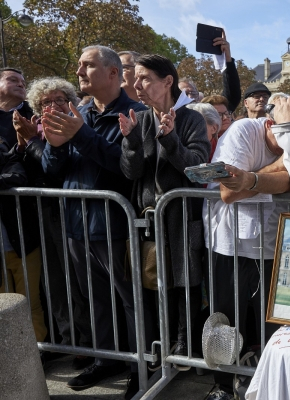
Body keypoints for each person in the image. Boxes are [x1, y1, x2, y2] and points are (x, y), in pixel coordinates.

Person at [41, 45, 153, 399]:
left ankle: (142, 366)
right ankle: (108, 359)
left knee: (130, 299)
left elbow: (127, 171)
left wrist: (80, 136)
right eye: (78, 65)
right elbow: (51, 171)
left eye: (86, 65)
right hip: (75, 225)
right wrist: (56, 146)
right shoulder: (79, 113)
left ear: (112, 74)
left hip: (114, 226)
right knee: (95, 299)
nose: (78, 72)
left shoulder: (137, 114)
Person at [203, 94, 290, 400]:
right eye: (284, 134)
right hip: (231, 245)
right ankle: (221, 386)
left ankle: (266, 384)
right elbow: (227, 192)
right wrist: (280, 168)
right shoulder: (244, 130)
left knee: (271, 322)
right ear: (270, 124)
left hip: (277, 245)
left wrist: (252, 179)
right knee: (226, 321)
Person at [119, 54, 211, 372]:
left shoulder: (192, 119)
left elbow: (197, 169)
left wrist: (171, 140)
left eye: (144, 78)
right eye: (135, 79)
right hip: (149, 222)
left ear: (167, 81)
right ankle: (161, 343)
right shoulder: (141, 119)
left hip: (181, 219)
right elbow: (131, 173)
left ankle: (185, 344)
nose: (136, 85)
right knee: (153, 284)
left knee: (185, 282)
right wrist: (130, 143)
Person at [13, 76, 93, 369]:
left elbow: (56, 170)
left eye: (60, 99)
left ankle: (88, 345)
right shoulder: (33, 128)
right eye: (46, 101)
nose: (53, 105)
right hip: (41, 214)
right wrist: (24, 144)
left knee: (76, 282)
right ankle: (67, 340)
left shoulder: (76, 126)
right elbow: (22, 169)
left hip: (71, 213)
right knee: (54, 282)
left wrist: (34, 142)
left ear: (70, 102)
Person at [0, 67, 46, 346]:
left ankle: (35, 349)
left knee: (29, 295)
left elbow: (17, 170)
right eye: (12, 79)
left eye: (22, 81)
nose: (20, 84)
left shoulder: (33, 114)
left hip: (22, 224)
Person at [201, 95, 233, 159]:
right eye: (219, 115)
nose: (225, 118)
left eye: (226, 113)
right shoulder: (205, 144)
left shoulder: (236, 136)